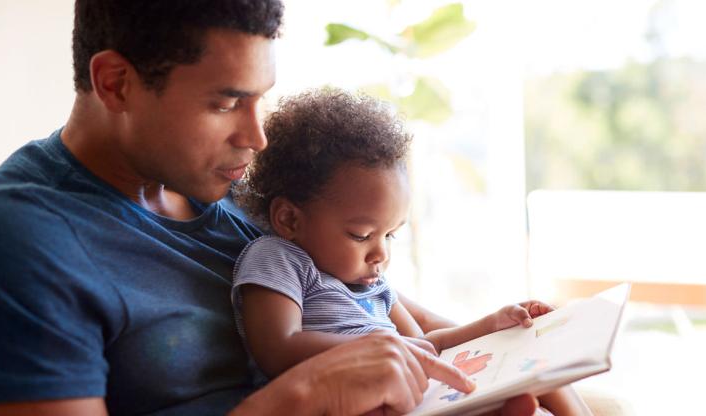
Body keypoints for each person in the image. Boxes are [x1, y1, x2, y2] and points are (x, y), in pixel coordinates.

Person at [0, 1, 583, 415]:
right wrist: (304, 394)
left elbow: (395, 319)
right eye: (226, 103)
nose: (257, 137)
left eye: (260, 100)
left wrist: (512, 346)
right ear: (116, 83)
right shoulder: (26, 239)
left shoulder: (246, 196)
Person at [231, 89, 588, 415]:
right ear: (290, 218)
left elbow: (424, 345)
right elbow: (277, 347)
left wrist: (493, 325)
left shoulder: (376, 286)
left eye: (390, 236)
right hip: (347, 403)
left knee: (539, 374)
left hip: (413, 396)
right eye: (361, 235)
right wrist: (373, 350)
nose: (380, 254)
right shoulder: (277, 259)